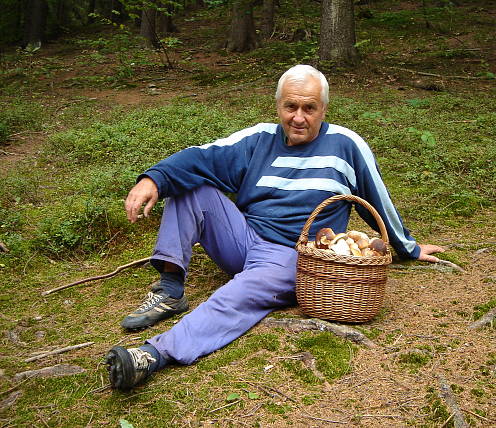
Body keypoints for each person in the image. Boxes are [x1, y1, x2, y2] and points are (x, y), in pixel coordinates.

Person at [105, 65, 444, 390]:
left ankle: (154, 354)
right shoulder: (258, 139)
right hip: (242, 239)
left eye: (309, 108)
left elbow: (377, 198)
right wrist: (154, 178)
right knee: (189, 184)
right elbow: (201, 157)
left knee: (237, 296)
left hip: (291, 257)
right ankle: (169, 289)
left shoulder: (346, 145)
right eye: (291, 106)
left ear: (324, 108)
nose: (299, 117)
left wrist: (408, 248)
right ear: (278, 106)